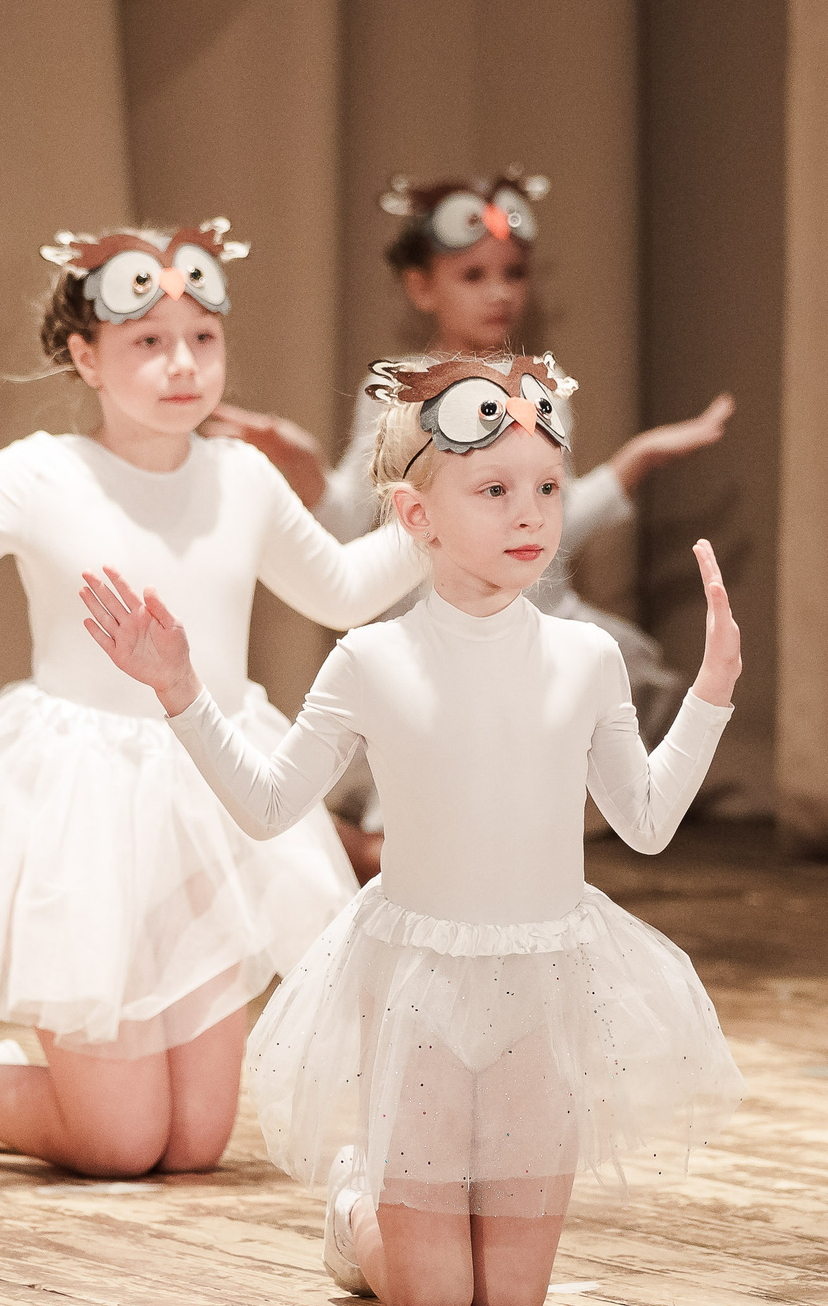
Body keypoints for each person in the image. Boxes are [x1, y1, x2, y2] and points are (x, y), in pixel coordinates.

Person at [0, 220, 428, 1178]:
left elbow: (342, 589)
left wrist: (441, 498)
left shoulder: (241, 476)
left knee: (191, 1145)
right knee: (118, 1142)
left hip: (207, 790)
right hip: (82, 807)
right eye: (148, 342)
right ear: (85, 355)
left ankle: (3, 1085)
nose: (183, 364)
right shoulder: (40, 475)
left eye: (203, 339)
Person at [83, 349, 745, 1306]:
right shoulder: (371, 660)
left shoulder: (586, 656)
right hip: (422, 993)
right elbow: (270, 804)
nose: (531, 514)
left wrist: (710, 696)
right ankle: (360, 1212)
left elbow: (645, 825)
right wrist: (182, 692)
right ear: (414, 516)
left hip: (544, 981)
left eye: (547, 488)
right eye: (493, 489)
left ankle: (440, 1208)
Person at [207, 172, 733, 872]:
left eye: (513, 273)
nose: (499, 292)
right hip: (443, 622)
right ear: (422, 287)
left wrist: (631, 464)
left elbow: (551, 521)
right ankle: (356, 849)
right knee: (430, 833)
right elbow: (354, 519)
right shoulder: (397, 387)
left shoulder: (538, 388)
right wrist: (298, 459)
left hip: (527, 623)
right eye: (473, 274)